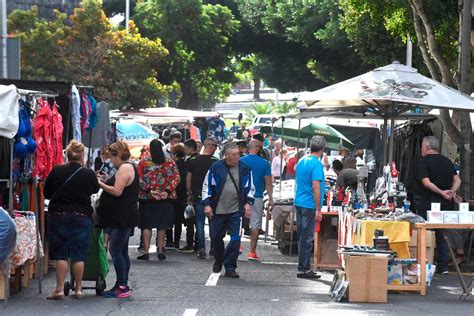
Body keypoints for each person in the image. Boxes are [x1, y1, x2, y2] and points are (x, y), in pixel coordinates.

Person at [44, 140, 100, 300]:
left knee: (61, 254)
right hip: (81, 216)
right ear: (82, 155)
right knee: (79, 254)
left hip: (59, 216)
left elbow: (47, 193)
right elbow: (95, 189)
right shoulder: (88, 173)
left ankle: (60, 289)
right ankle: (79, 289)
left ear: (67, 155)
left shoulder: (56, 171)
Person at [202, 142, 255, 278]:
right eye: (234, 154)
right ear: (226, 156)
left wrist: (248, 203)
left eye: (238, 153)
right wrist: (207, 204)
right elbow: (207, 186)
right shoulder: (216, 167)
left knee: (236, 239)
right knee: (215, 237)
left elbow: (250, 188)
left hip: (236, 211)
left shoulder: (245, 168)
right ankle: (219, 259)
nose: (238, 156)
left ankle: (230, 266)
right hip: (218, 210)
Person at [414, 136, 461, 274]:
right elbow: (458, 179)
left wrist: (441, 192)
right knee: (442, 234)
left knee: (425, 234)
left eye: (422, 145)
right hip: (446, 204)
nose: (421, 148)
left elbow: (426, 182)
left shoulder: (422, 162)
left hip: (427, 203)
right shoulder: (447, 161)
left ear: (427, 147)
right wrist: (451, 193)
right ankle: (443, 266)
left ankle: (423, 264)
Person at [97, 141, 139, 298]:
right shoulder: (127, 167)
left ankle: (122, 285)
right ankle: (123, 283)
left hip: (122, 216)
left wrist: (100, 184)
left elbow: (117, 191)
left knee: (115, 250)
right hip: (123, 214)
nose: (110, 161)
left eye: (111, 158)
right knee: (121, 250)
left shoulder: (125, 168)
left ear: (118, 156)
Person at [137, 139, 180, 261]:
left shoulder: (143, 163)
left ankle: (146, 251)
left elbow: (139, 179)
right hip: (165, 198)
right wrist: (166, 191)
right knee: (162, 225)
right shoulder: (169, 162)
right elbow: (176, 178)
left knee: (146, 225)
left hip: (147, 198)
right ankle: (160, 251)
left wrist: (149, 190)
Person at [294, 136, 326, 279]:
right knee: (307, 237)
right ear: (323, 149)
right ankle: (304, 268)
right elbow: (316, 187)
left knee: (302, 236)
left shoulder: (302, 160)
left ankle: (303, 266)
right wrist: (318, 209)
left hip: (300, 201)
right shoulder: (316, 164)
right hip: (309, 204)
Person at [187, 137, 219, 259]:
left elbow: (188, 179)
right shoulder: (215, 161)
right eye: (215, 146)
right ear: (210, 146)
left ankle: (201, 248)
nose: (216, 149)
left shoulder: (193, 160)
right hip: (212, 197)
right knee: (213, 222)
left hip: (198, 196)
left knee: (199, 223)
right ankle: (213, 248)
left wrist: (189, 193)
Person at [241, 140, 273, 261]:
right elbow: (268, 183)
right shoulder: (265, 163)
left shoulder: (241, 161)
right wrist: (271, 198)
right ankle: (252, 252)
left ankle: (237, 247)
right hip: (257, 197)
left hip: (241, 197)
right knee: (255, 225)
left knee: (238, 221)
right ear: (259, 148)